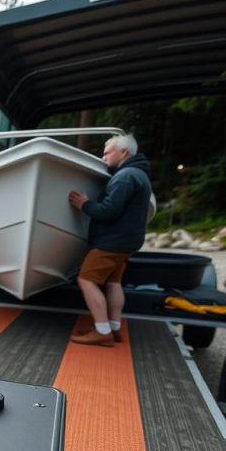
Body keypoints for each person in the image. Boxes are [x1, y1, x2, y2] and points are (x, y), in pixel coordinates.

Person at [67, 133, 152, 346]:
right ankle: (114, 329)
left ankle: (102, 331)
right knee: (113, 283)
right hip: (128, 242)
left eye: (107, 153)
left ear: (123, 153)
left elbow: (109, 210)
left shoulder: (125, 176)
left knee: (86, 280)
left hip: (112, 242)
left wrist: (85, 204)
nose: (103, 157)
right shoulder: (139, 174)